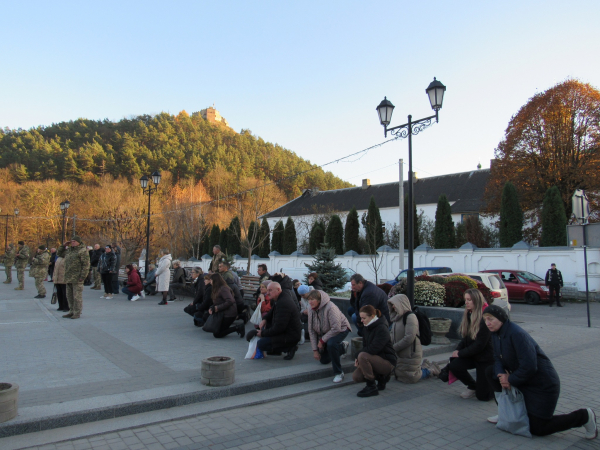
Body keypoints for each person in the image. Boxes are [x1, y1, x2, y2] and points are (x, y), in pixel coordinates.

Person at [484, 305, 597, 439]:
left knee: (539, 428)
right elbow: (497, 357)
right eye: (485, 320)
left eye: (490, 319)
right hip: (523, 380)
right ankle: (506, 413)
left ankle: (584, 416)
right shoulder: (495, 334)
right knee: (491, 371)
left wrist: (510, 379)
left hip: (542, 385)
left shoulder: (517, 334)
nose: (487, 323)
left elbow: (530, 366)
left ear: (501, 319)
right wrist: (501, 374)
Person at [448, 289, 494, 401]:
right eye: (465, 300)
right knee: (454, 365)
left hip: (485, 358)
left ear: (476, 300)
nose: (466, 302)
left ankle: (494, 386)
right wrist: (457, 351)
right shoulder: (469, 314)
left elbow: (480, 345)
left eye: (469, 300)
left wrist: (461, 353)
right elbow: (466, 338)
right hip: (473, 355)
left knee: (483, 397)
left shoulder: (485, 318)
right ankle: (473, 386)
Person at [307, 290, 351, 383]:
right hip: (326, 332)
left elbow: (336, 328)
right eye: (309, 299)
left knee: (331, 344)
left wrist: (322, 341)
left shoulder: (330, 307)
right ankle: (342, 347)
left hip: (341, 329)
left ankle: (339, 373)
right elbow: (311, 330)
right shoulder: (311, 309)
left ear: (319, 300)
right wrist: (315, 350)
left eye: (312, 299)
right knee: (324, 360)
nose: (310, 302)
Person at [352, 305, 397, 397]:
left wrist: (358, 356)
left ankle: (371, 387)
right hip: (374, 359)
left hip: (387, 362)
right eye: (361, 318)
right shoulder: (366, 327)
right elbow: (365, 346)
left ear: (372, 316)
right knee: (356, 377)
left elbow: (373, 349)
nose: (361, 320)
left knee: (362, 356)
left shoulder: (382, 328)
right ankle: (381, 378)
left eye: (364, 318)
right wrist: (360, 359)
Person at [254, 282, 302, 360]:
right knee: (265, 332)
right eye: (267, 290)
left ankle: (289, 348)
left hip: (290, 335)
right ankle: (277, 349)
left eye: (270, 290)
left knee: (261, 344)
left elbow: (279, 328)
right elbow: (271, 313)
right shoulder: (280, 298)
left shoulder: (283, 303)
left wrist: (263, 333)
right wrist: (265, 319)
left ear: (278, 290)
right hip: (286, 331)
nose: (267, 292)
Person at [388, 294, 423, 384]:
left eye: (394, 304)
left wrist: (394, 347)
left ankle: (430, 370)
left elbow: (409, 337)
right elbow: (392, 334)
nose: (393, 306)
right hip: (400, 353)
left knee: (412, 376)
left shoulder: (410, 317)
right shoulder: (397, 318)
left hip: (410, 353)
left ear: (401, 303)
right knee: (401, 374)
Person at [57, 236, 90, 320]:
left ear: (79, 242)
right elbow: (59, 254)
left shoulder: (82, 251)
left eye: (74, 241)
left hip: (77, 277)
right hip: (68, 277)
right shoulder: (70, 250)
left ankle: (77, 312)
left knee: (77, 296)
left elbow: (86, 265)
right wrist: (63, 246)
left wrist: (82, 276)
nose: (73, 243)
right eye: (72, 241)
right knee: (69, 296)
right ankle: (71, 311)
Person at [207, 273, 245, 338]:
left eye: (211, 280)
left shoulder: (223, 288)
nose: (210, 282)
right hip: (223, 313)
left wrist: (217, 308)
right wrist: (212, 307)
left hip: (229, 314)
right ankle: (234, 328)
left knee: (217, 334)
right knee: (216, 331)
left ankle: (237, 328)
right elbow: (217, 302)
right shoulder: (217, 288)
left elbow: (230, 301)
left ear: (215, 280)